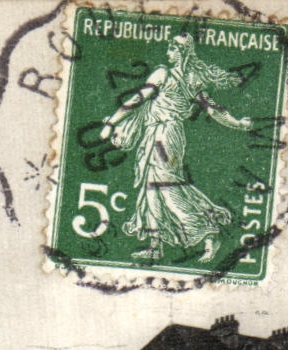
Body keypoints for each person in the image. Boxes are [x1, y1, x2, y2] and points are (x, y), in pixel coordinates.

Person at [99, 34, 252, 262]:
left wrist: (112, 122)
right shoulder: (192, 79)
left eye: (171, 50)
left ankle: (207, 232)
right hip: (163, 135)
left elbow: (135, 100)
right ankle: (155, 244)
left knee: (165, 185)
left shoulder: (164, 74)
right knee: (151, 185)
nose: (168, 54)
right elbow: (214, 110)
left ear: (180, 52)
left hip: (163, 137)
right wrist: (237, 123)